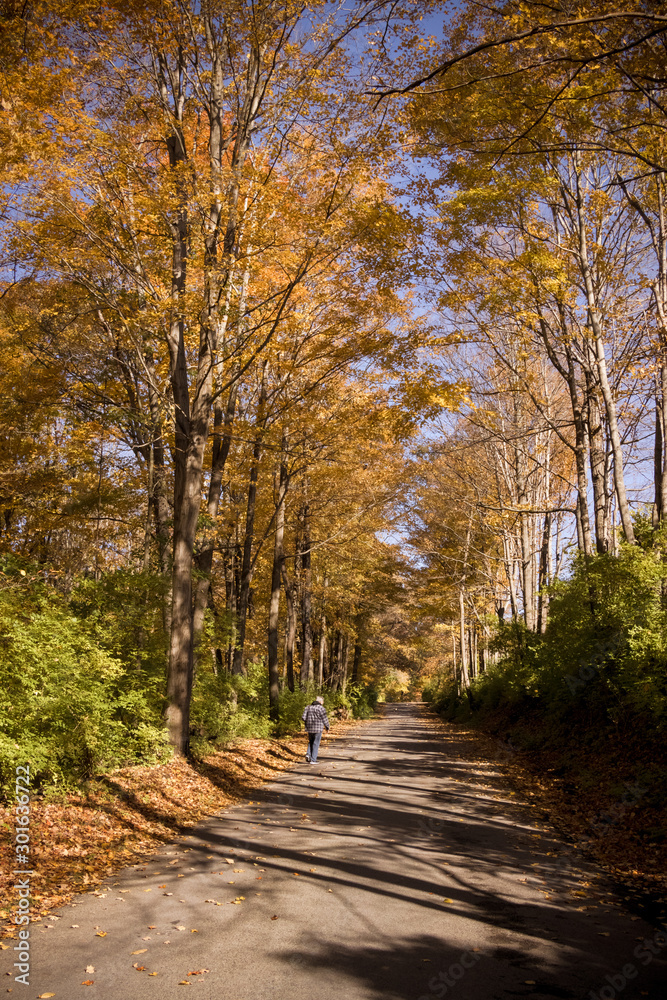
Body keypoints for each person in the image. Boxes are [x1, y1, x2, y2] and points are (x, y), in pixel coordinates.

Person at [301, 695, 330, 763]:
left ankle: (308, 754)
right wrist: (327, 727)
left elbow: (303, 718)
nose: (323, 703)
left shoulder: (308, 707)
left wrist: (308, 722)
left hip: (309, 728)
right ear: (320, 701)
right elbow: (324, 719)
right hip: (318, 728)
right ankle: (313, 760)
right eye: (323, 701)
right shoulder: (321, 708)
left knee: (311, 742)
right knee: (316, 743)